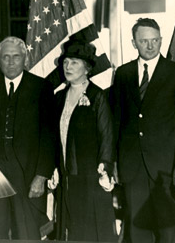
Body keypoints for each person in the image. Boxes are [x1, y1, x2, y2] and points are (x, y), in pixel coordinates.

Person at [111, 18, 175, 243]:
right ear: (134, 43)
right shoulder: (124, 74)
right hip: (132, 166)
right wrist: (115, 161)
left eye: (155, 40)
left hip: (165, 168)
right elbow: (117, 120)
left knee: (169, 231)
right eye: (144, 41)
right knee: (137, 231)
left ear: (161, 40)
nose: (150, 46)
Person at [0, 36, 55, 240]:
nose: (11, 62)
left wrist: (41, 176)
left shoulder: (41, 87)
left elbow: (49, 136)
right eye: (6, 57)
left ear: (25, 59)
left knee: (27, 230)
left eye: (16, 57)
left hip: (28, 173)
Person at [54, 39, 117, 242]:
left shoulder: (97, 96)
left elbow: (107, 135)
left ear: (87, 68)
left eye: (74, 62)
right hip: (67, 178)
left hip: (91, 178)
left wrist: (105, 167)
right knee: (71, 230)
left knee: (92, 232)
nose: (68, 67)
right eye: (65, 62)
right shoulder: (59, 97)